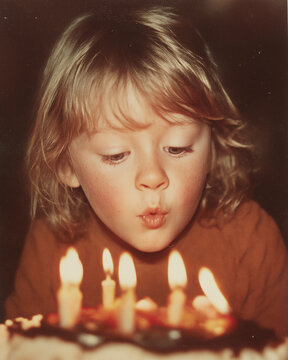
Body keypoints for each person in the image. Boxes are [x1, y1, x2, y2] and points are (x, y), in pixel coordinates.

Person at [5, 4, 288, 337]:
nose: (153, 177)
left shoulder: (249, 241)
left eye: (178, 148)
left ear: (215, 147)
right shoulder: (51, 249)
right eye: (116, 155)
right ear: (66, 164)